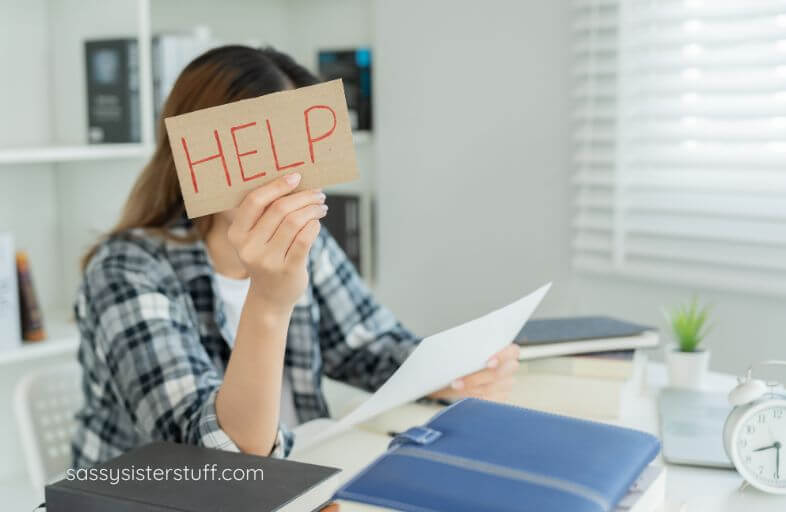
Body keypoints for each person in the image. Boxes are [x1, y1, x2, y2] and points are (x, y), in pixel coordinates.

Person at [71, 45, 520, 469]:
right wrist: (270, 298)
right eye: (259, 148)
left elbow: (370, 347)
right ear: (197, 158)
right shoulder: (126, 270)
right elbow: (221, 461)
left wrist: (451, 373)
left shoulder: (308, 242)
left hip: (300, 478)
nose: (282, 172)